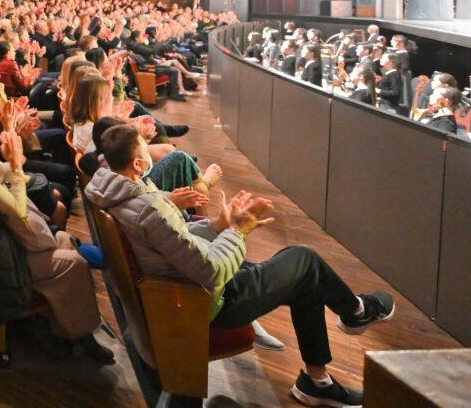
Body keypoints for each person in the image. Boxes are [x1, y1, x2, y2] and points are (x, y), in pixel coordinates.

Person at [85, 124, 395, 408]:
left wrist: (218, 224)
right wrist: (237, 230)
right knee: (304, 257)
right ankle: (354, 313)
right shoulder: (147, 209)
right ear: (137, 165)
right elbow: (211, 271)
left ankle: (320, 376)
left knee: (305, 274)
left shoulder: (119, 195)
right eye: (144, 146)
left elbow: (174, 241)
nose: (149, 147)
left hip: (187, 288)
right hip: (206, 301)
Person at [0, 98, 112, 362]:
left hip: (0, 238)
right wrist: (18, 169)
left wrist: (14, 157)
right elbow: (17, 208)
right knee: (74, 263)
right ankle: (80, 335)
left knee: (65, 241)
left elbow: (7, 169)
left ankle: (68, 330)